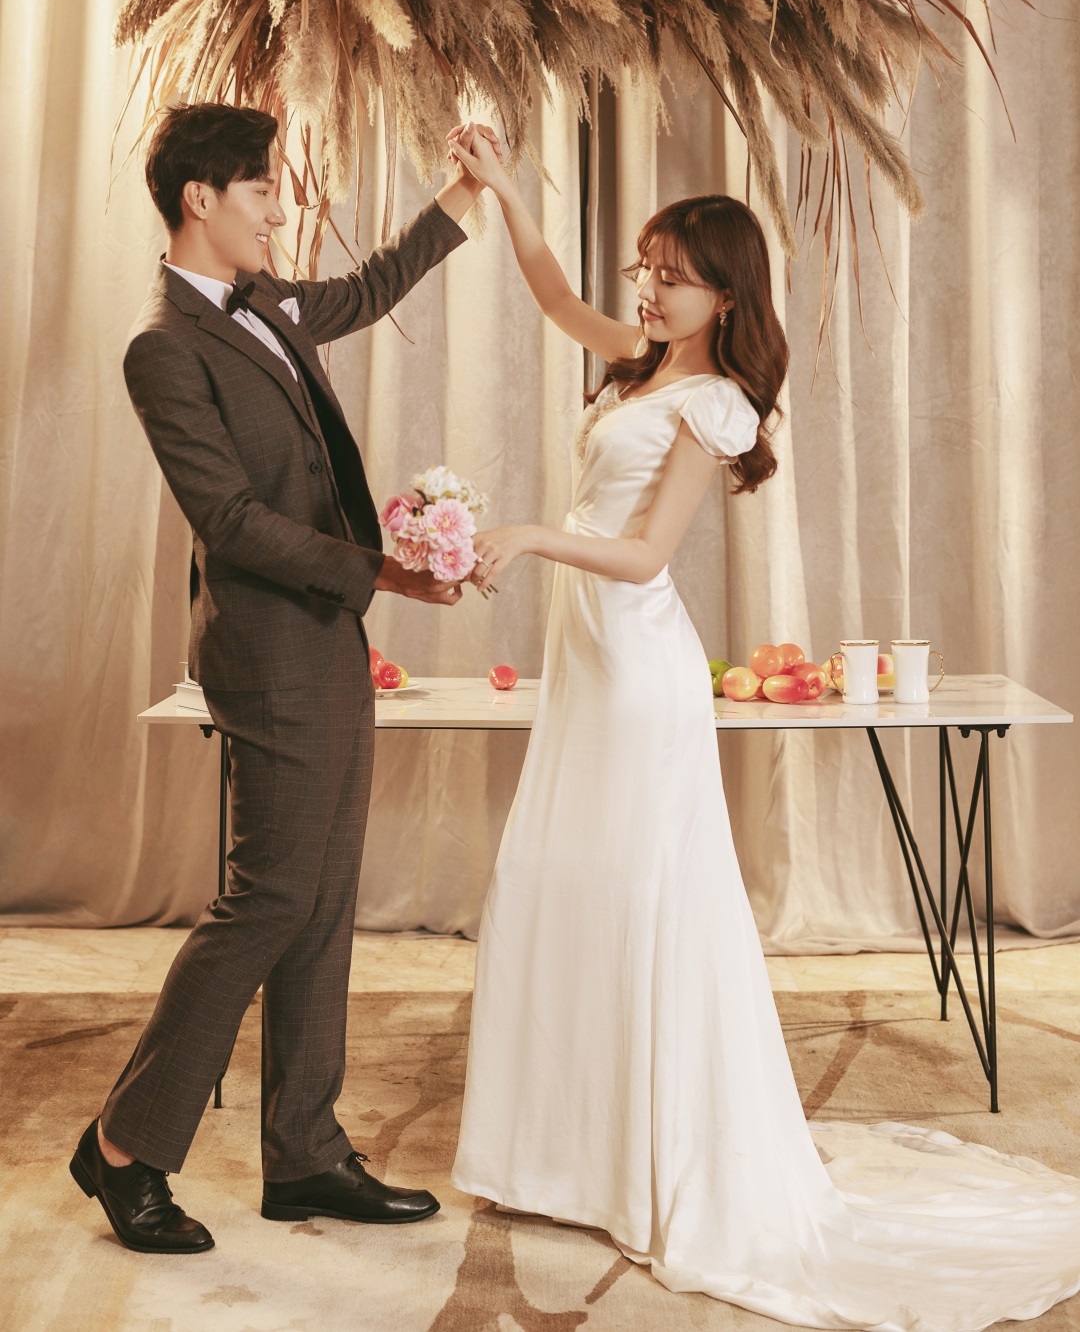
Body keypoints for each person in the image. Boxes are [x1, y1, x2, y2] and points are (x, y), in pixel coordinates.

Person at [446, 127, 1080, 1331]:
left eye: (673, 275)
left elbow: (644, 555)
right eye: (646, 267)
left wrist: (528, 537)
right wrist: (507, 191)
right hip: (591, 665)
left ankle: (649, 1163)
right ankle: (566, 1161)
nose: (648, 288)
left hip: (639, 673)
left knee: (642, 898)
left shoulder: (716, 404)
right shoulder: (640, 361)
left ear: (727, 295)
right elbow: (553, 295)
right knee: (557, 880)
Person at [69, 104, 493, 1254]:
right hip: (266, 652)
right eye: (263, 187)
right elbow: (231, 519)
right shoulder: (163, 347)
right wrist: (387, 573)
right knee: (268, 900)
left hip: (326, 637)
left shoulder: (260, 301)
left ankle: (304, 1154)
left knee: (322, 898)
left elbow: (363, 293)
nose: (280, 205)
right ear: (200, 198)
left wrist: (465, 192)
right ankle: (123, 1147)